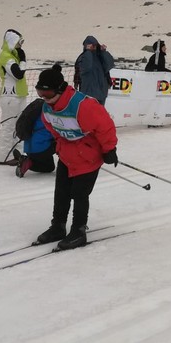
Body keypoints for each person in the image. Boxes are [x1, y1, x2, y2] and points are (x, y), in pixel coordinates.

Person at [32, 64, 118, 251]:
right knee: (61, 192)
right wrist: (58, 142)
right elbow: (51, 126)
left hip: (89, 156)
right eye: (40, 93)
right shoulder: (48, 107)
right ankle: (58, 227)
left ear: (60, 89)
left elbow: (105, 125)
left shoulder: (83, 105)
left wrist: (109, 149)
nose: (43, 98)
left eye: (47, 94)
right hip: (67, 154)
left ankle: (78, 231)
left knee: (79, 194)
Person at [0, 28, 27, 164]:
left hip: (19, 95)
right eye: (18, 42)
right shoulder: (6, 56)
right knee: (9, 126)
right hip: (10, 96)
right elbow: (18, 73)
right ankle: (5, 157)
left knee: (19, 126)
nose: (20, 46)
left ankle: (17, 153)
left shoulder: (13, 56)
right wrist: (23, 60)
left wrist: (21, 59)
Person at [13, 97, 56, 177]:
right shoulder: (51, 112)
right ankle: (68, 166)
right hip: (41, 147)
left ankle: (28, 161)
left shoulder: (37, 109)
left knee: (50, 167)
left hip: (29, 148)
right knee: (64, 141)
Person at [74, 35, 115, 105]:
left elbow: (110, 64)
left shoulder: (101, 56)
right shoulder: (83, 57)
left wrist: (104, 52)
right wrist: (88, 52)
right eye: (92, 45)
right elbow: (86, 67)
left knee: (99, 115)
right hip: (87, 94)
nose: (94, 47)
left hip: (101, 94)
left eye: (95, 45)